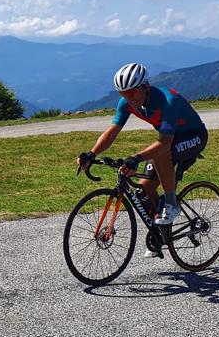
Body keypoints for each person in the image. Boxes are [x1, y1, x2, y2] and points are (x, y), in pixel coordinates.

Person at [76, 62, 208, 258]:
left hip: (193, 136)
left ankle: (171, 204)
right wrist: (92, 153)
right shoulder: (127, 103)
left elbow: (163, 144)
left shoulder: (167, 100)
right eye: (123, 94)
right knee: (144, 188)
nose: (129, 98)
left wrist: (136, 158)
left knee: (161, 154)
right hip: (169, 141)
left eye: (132, 93)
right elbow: (112, 132)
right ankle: (160, 233)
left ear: (145, 87)